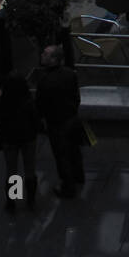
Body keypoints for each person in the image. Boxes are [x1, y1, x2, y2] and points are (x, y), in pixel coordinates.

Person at [35, 45, 85, 200]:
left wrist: (41, 119)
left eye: (45, 54)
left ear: (54, 60)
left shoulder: (44, 80)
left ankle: (68, 187)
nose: (42, 55)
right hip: (72, 118)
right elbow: (76, 97)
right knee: (74, 150)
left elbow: (40, 104)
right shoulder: (70, 74)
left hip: (56, 123)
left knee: (61, 156)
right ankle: (79, 176)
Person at [0, 72, 39, 213]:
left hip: (9, 139)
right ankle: (30, 200)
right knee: (30, 168)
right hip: (28, 139)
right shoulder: (29, 102)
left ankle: (13, 201)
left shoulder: (0, 103)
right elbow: (35, 120)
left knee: (12, 171)